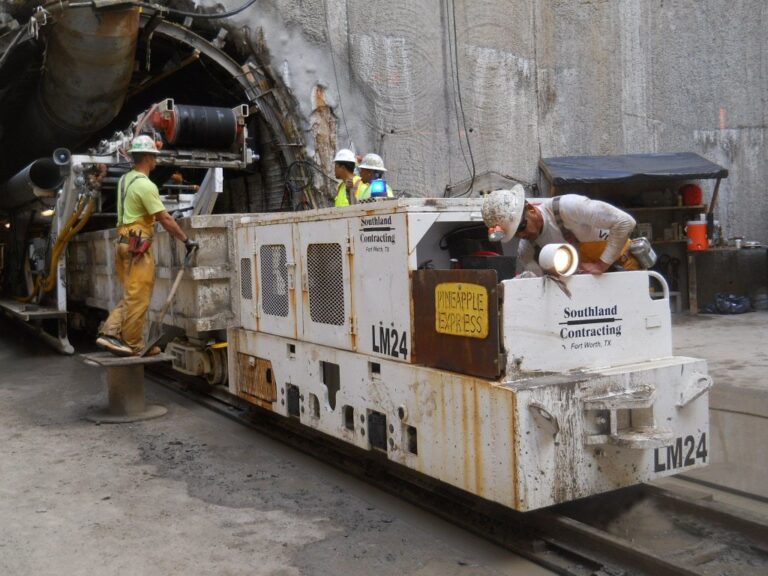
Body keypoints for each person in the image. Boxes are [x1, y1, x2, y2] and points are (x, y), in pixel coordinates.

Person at [96, 135, 199, 356]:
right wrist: (186, 240)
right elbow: (165, 218)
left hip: (122, 242)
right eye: (153, 156)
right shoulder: (145, 185)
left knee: (131, 294)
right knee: (139, 295)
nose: (156, 161)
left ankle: (112, 333)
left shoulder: (125, 180)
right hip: (138, 244)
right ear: (146, 157)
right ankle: (131, 344)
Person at [482, 185, 640, 275]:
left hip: (625, 271)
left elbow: (625, 222)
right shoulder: (528, 250)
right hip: (594, 290)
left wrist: (600, 265)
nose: (522, 235)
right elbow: (536, 281)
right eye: (516, 234)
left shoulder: (567, 207)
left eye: (522, 227)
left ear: (530, 209)